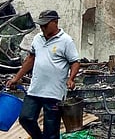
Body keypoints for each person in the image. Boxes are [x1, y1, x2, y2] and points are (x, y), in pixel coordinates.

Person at [6, 10, 81, 139]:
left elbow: (75, 62)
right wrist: (16, 78)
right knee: (25, 118)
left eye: (45, 25)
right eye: (41, 25)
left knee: (51, 129)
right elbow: (30, 59)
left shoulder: (66, 41)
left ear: (55, 22)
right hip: (35, 89)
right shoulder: (38, 38)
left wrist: (71, 79)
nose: (42, 28)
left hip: (54, 93)